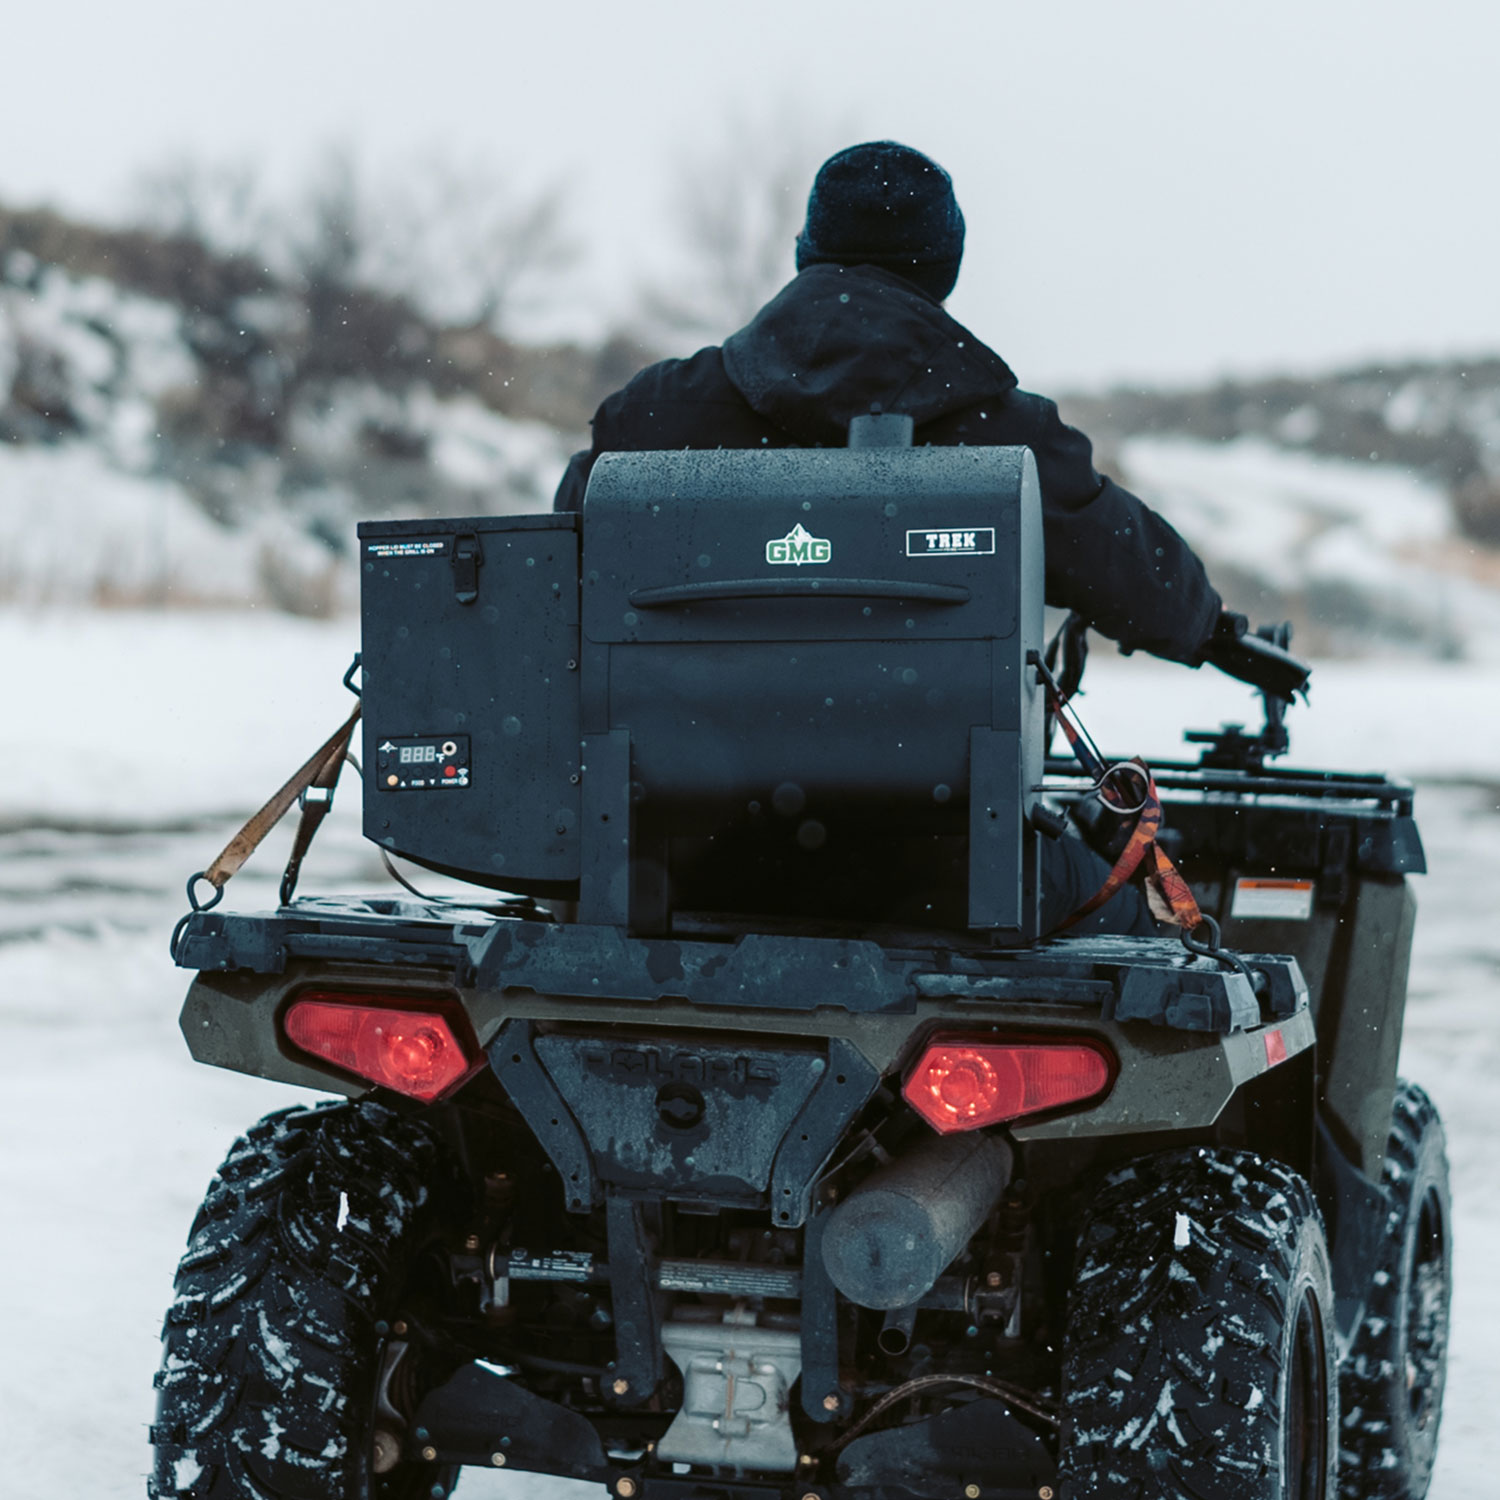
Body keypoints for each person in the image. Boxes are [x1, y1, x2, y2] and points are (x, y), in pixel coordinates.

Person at [555, 141, 1225, 932]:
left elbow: (548, 584)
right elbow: (1147, 585)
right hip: (949, 877)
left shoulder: (650, 417)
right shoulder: (1004, 436)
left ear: (806, 252)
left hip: (669, 866)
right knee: (1153, 915)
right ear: (946, 267)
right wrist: (1214, 629)